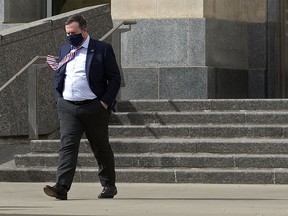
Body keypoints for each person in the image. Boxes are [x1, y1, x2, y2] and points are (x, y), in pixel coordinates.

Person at [44, 14, 121, 200]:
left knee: (100, 146)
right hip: (68, 107)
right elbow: (60, 74)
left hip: (94, 106)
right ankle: (62, 187)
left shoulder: (102, 49)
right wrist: (58, 97)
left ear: (85, 30)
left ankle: (109, 185)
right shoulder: (65, 49)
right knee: (67, 146)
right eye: (68, 33)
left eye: (74, 32)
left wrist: (104, 102)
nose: (71, 36)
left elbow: (115, 78)